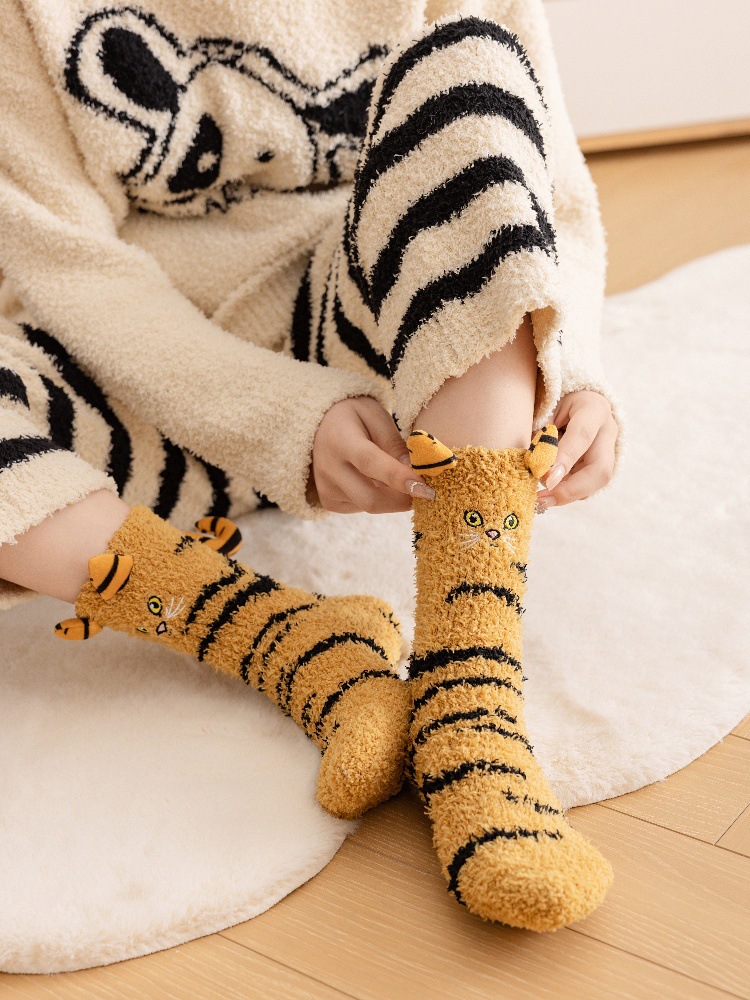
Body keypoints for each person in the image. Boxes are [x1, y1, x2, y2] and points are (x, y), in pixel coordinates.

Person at [0, 0, 620, 930]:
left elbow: (544, 180)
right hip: (137, 372)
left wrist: (577, 371)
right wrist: (277, 419)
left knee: (476, 66)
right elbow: (68, 265)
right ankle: (297, 643)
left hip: (381, 346)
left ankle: (471, 694)